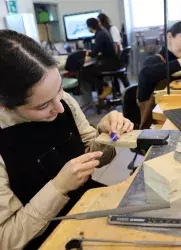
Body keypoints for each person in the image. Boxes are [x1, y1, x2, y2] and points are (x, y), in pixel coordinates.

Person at [0, 30, 134, 250]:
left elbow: (100, 157)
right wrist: (59, 188)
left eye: (60, 88)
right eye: (43, 106)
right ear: (4, 106)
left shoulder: (64, 102)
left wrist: (106, 134)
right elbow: (6, 239)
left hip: (87, 209)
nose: (59, 107)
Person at [137, 21, 181, 129]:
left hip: (177, 118)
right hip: (155, 127)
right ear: (169, 37)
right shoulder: (155, 60)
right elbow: (145, 73)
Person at [85, 18, 120, 99]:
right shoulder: (102, 32)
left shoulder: (99, 35)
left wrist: (87, 53)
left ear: (90, 27)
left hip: (109, 63)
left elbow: (94, 53)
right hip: (112, 61)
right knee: (92, 69)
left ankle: (105, 87)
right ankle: (103, 92)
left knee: (87, 72)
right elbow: (100, 49)